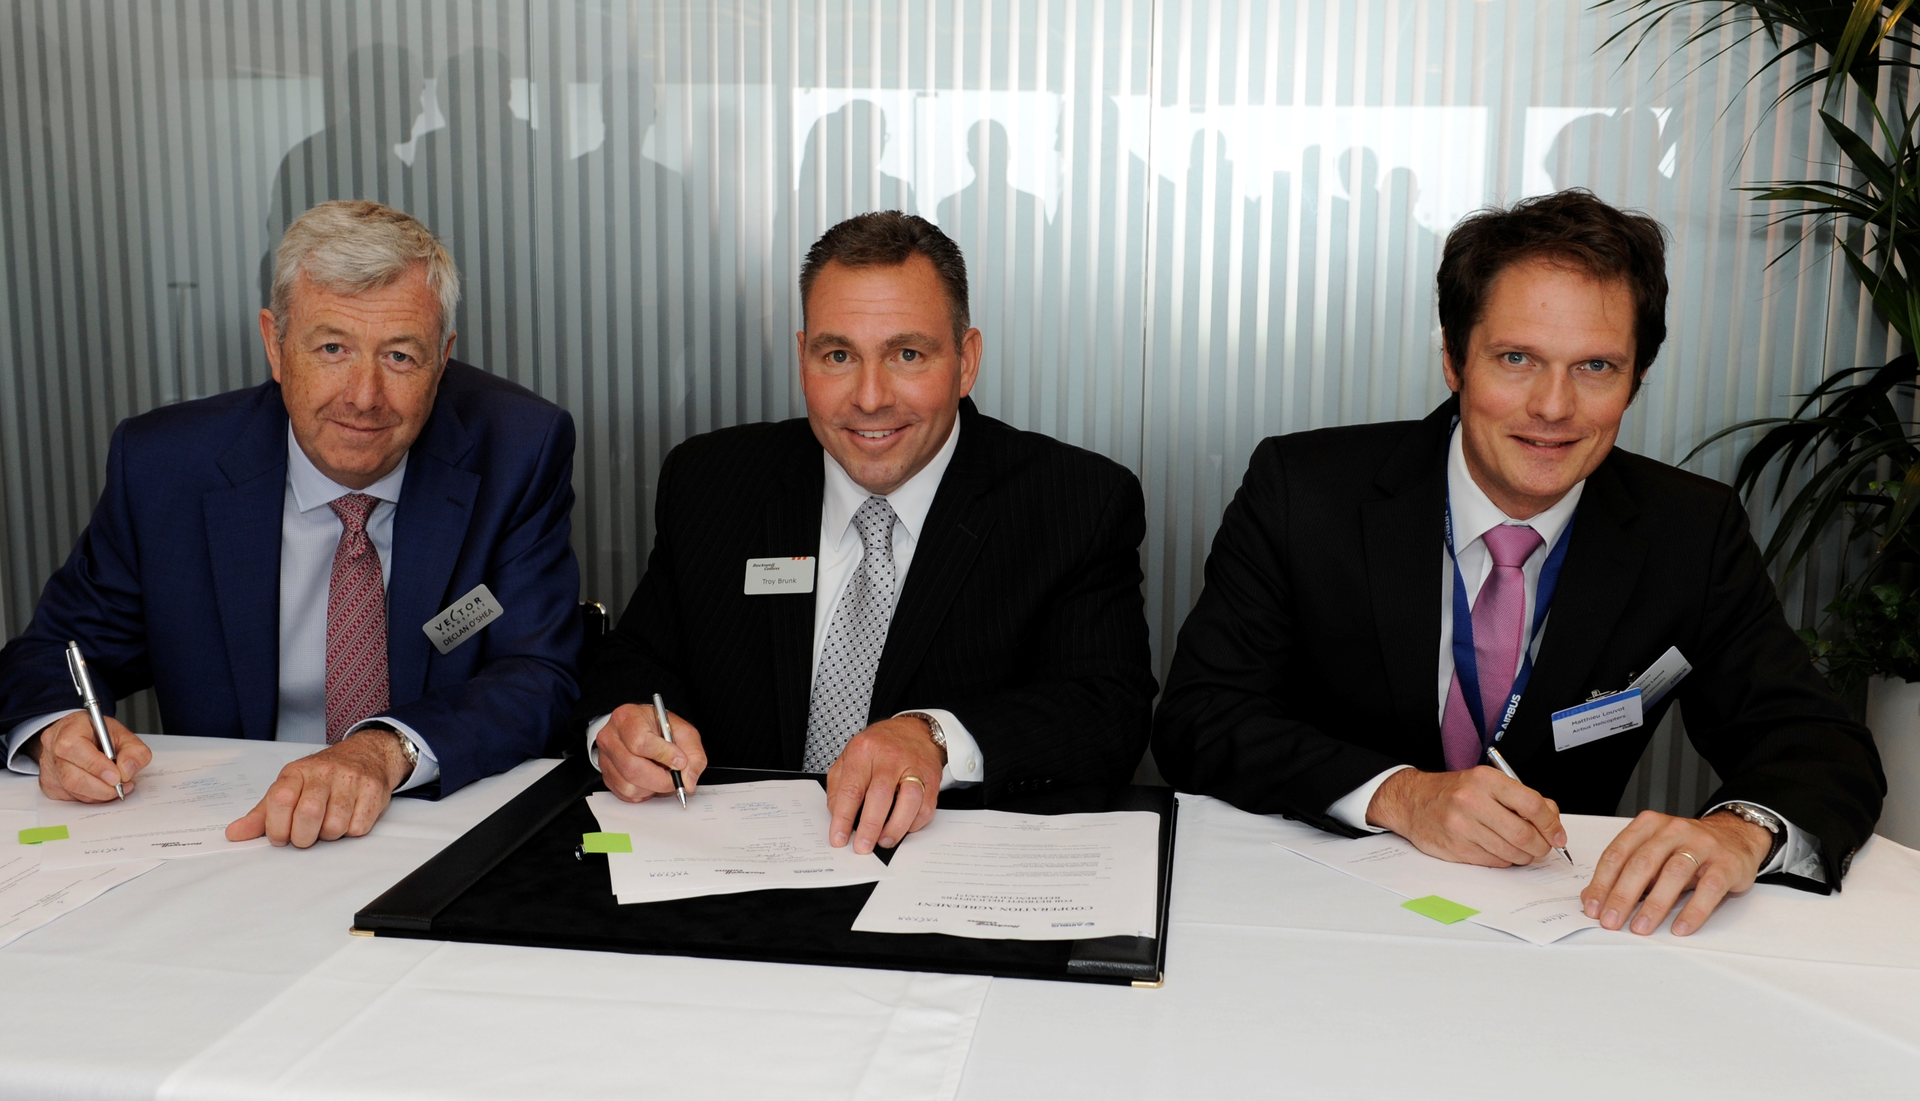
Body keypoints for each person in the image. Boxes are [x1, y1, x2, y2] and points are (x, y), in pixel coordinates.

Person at [1153, 189, 1884, 937]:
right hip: (1308, 916)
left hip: (1561, 932)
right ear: (1453, 360)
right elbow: (1201, 717)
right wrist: (1401, 795)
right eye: (1516, 359)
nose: (1554, 406)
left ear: (1636, 378)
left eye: (1596, 366)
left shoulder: (1688, 530)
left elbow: (1819, 744)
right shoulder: (1305, 491)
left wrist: (1738, 831)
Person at [0, 200, 582, 847]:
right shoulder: (167, 467)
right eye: (332, 347)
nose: (363, 395)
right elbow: (57, 651)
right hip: (232, 832)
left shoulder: (518, 450)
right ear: (274, 345)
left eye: (398, 356)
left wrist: (381, 751)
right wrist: (58, 729)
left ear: (442, 358)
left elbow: (538, 674)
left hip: (430, 822)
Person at [577, 211, 1156, 855]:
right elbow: (639, 659)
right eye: (839, 355)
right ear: (802, 359)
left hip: (949, 886)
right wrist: (622, 725)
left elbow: (1108, 710)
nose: (871, 397)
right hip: (732, 877)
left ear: (966, 362)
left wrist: (936, 737)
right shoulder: (712, 481)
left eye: (907, 354)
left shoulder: (1074, 501)